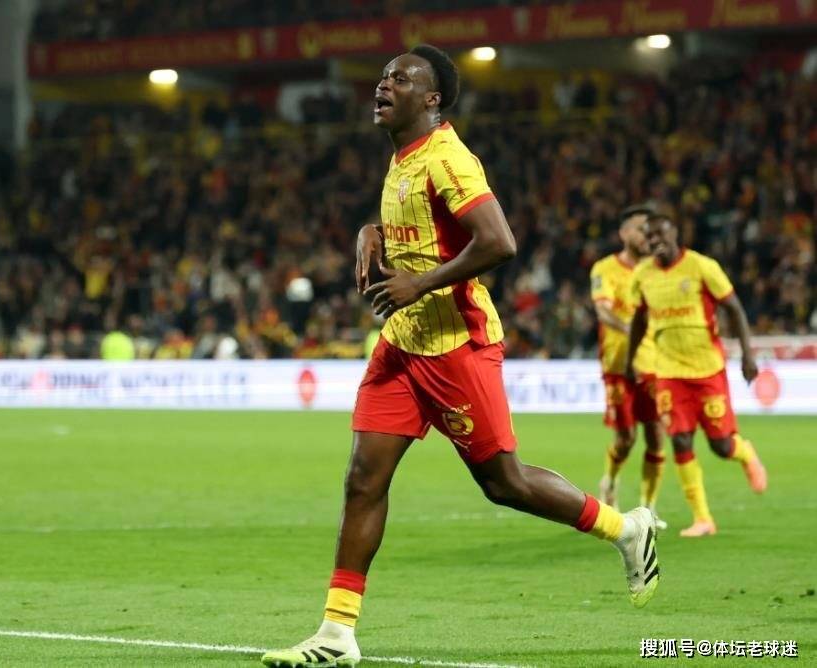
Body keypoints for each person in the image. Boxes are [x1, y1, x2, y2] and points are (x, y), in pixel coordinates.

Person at [262, 45, 659, 668]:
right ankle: (337, 634)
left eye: (400, 79)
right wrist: (370, 232)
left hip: (456, 345)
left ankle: (625, 529)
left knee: (505, 483)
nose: (383, 85)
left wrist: (420, 284)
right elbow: (420, 231)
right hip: (402, 346)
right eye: (383, 77)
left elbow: (499, 241)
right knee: (363, 480)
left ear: (432, 99)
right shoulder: (403, 154)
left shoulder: (450, 158)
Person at [626, 213, 768, 538]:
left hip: (707, 370)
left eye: (660, 234)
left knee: (720, 445)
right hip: (668, 372)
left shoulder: (702, 267)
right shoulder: (643, 275)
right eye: (649, 237)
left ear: (675, 232)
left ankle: (745, 452)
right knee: (680, 439)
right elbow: (639, 321)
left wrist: (747, 355)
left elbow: (734, 308)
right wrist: (630, 360)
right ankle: (703, 518)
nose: (655, 241)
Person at [590, 206, 667, 528]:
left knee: (657, 436)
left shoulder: (657, 271)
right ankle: (609, 482)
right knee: (625, 439)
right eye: (639, 228)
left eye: (649, 228)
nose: (645, 234)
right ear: (624, 233)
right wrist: (632, 331)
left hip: (654, 365)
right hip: (618, 363)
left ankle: (649, 508)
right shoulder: (604, 268)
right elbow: (603, 311)